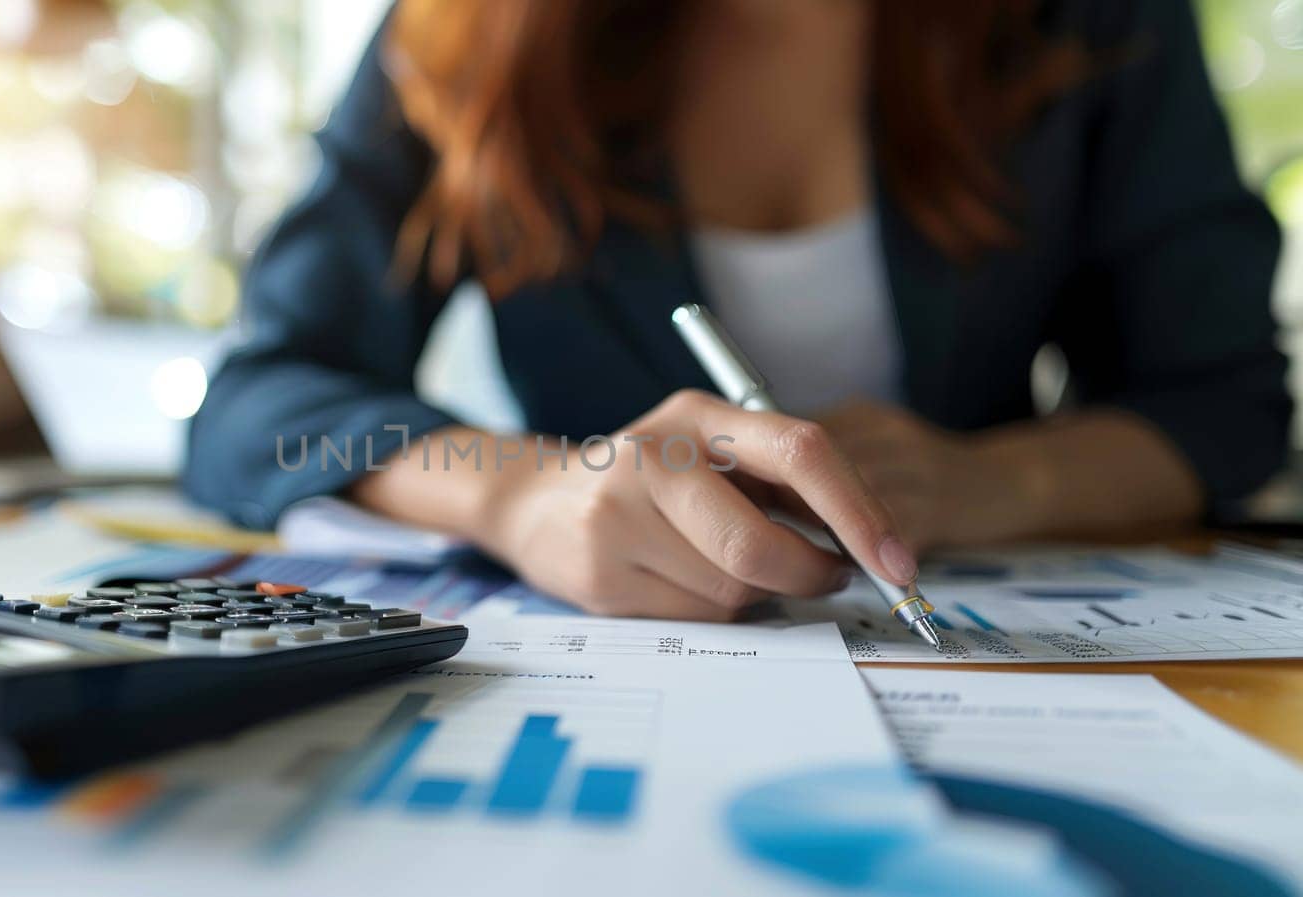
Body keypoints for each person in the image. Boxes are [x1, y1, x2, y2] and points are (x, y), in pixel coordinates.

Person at [186, 0, 1290, 621]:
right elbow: (259, 410)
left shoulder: (1099, 20)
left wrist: (992, 478)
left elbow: (1224, 403)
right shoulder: (463, 35)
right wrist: (519, 491)